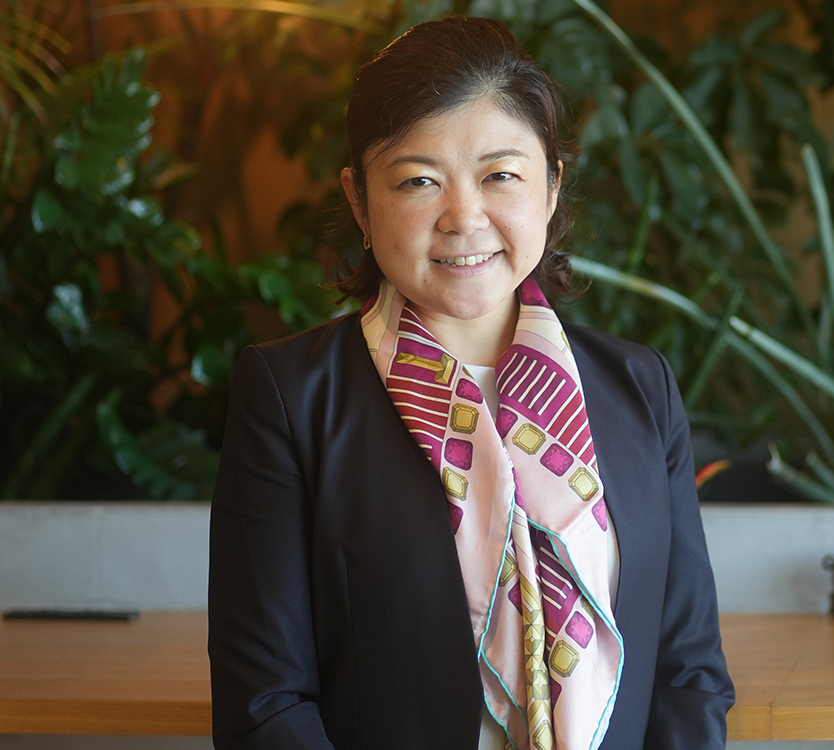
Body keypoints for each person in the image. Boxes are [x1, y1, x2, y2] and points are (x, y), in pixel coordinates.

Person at [208, 16, 734, 750]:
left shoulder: (639, 388)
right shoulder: (292, 399)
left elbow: (687, 672)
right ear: (360, 202)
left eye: (500, 176)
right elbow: (266, 704)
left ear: (550, 189)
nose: (464, 217)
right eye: (419, 180)